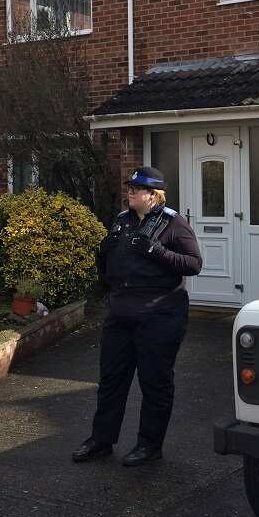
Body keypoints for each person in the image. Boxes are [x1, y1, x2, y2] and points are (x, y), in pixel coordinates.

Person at [72, 167, 203, 466]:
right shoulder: (122, 220)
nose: (130, 192)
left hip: (159, 314)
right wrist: (102, 262)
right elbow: (108, 263)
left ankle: (149, 444)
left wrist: (156, 251)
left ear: (153, 195)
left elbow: (194, 264)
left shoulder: (173, 223)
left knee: (154, 382)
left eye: (136, 189)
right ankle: (101, 440)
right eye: (130, 188)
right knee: (111, 380)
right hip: (121, 313)